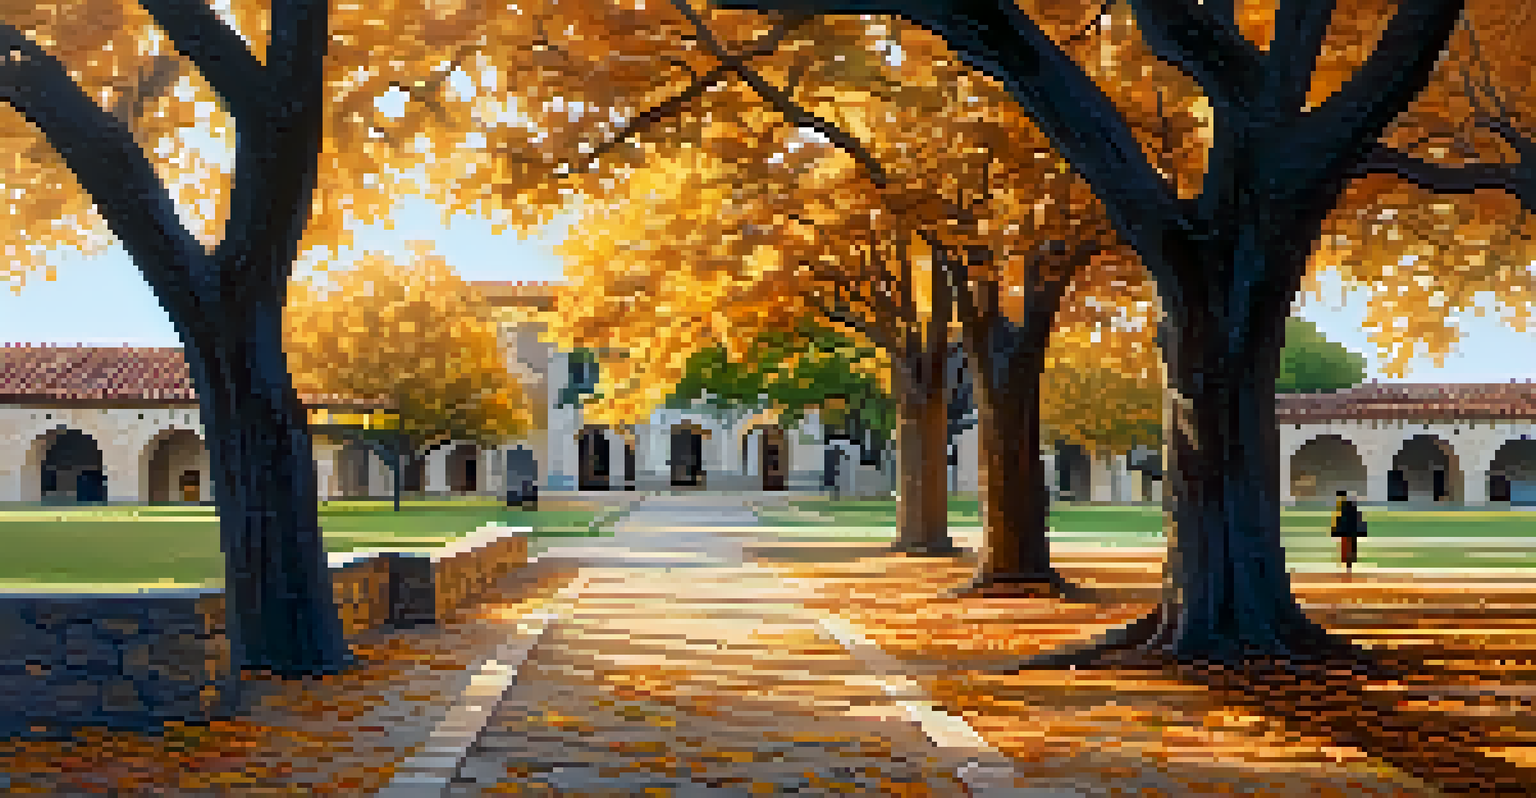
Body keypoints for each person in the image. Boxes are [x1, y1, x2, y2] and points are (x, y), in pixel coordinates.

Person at [1329, 490, 1367, 574]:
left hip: (1347, 531)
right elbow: (1357, 519)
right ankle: (1349, 567)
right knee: (1350, 549)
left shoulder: (1344, 508)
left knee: (1348, 549)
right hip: (1350, 531)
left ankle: (1348, 567)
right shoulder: (1350, 508)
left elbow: (1342, 520)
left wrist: (1336, 531)